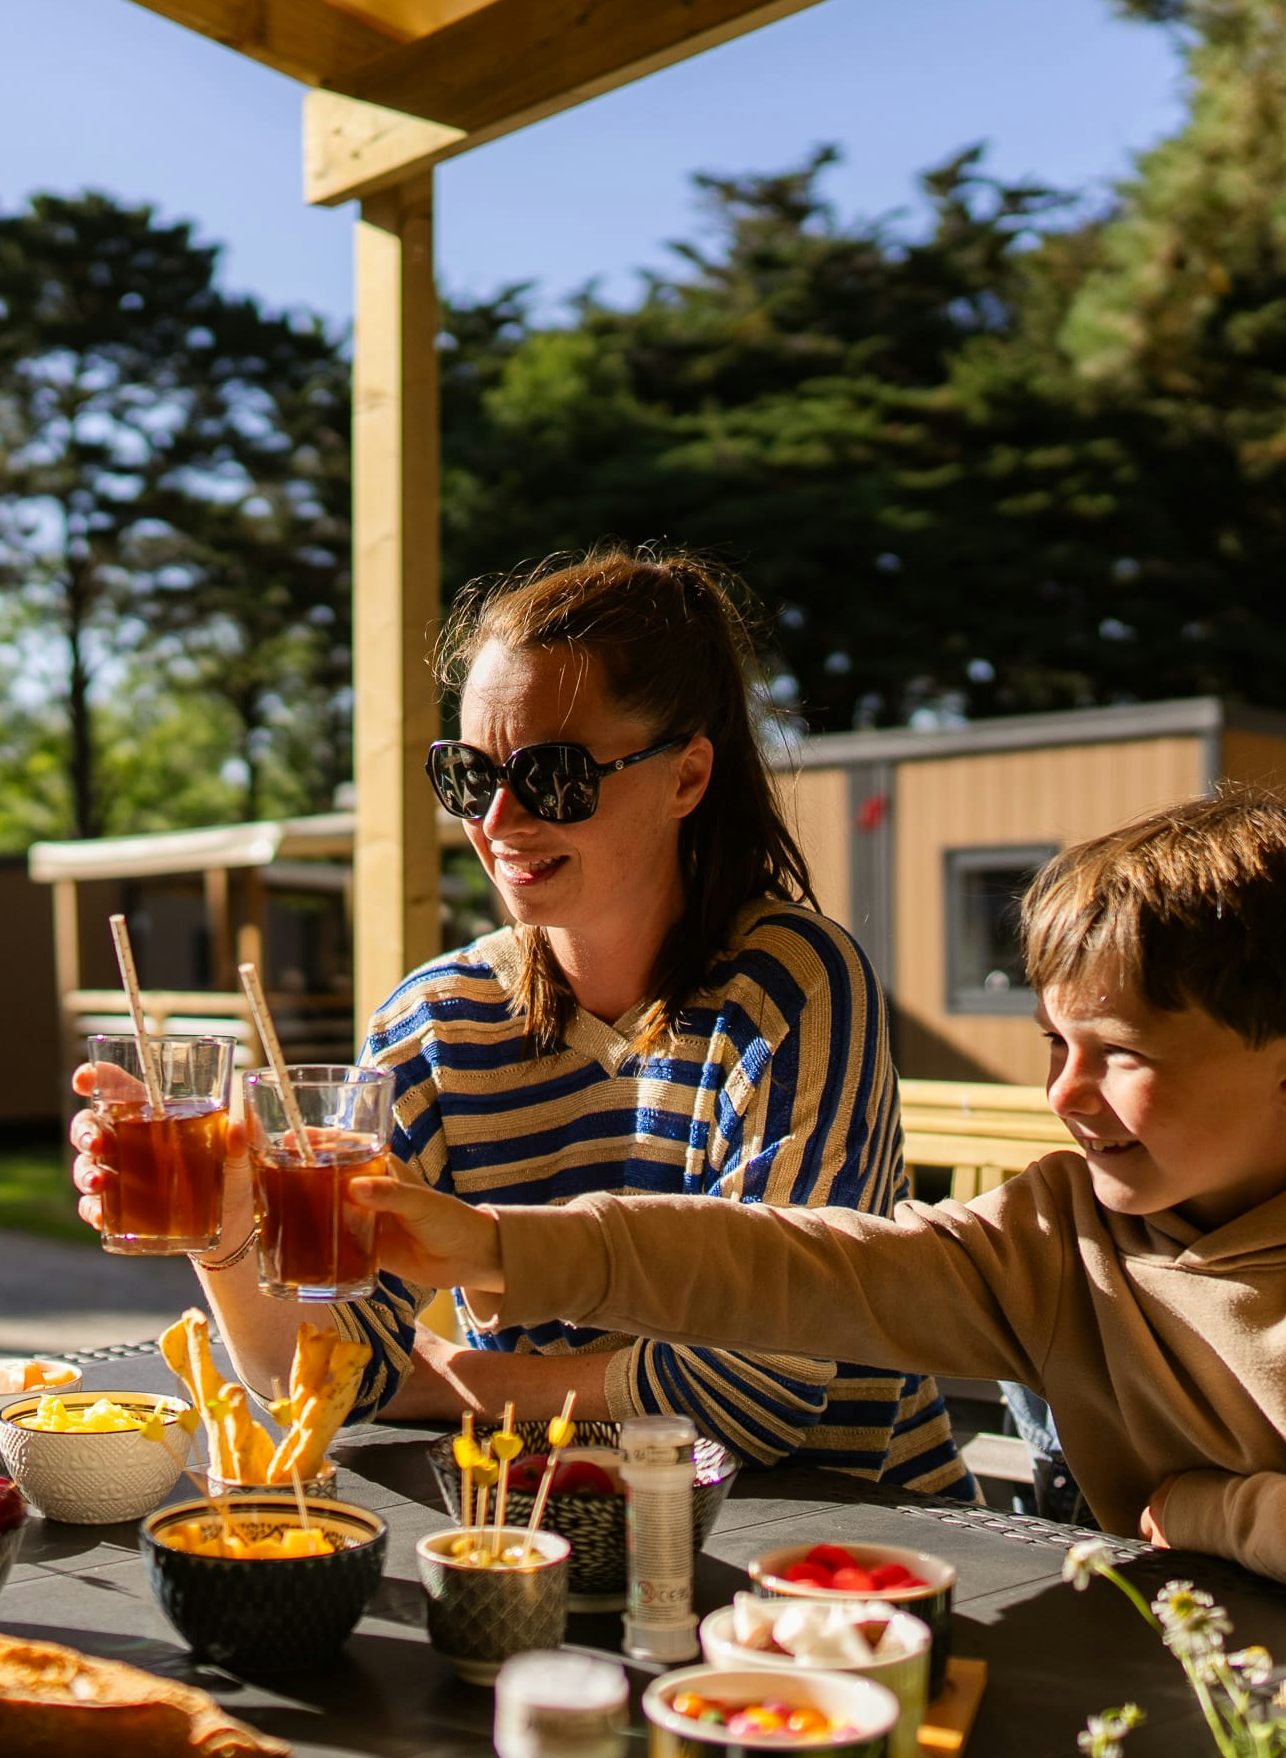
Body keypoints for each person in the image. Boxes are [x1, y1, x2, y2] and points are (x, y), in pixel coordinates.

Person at [358, 789, 1286, 1631]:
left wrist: (1220, 1510)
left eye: (1115, 1052)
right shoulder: (1063, 1234)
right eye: (1053, 1042)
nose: (1063, 1093)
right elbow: (801, 1267)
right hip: (1192, 1694)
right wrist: (505, 1247)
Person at [75, 547, 964, 1488]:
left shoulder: (794, 989)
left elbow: (768, 1387)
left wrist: (460, 1378)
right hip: (553, 1523)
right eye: (468, 775)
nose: (498, 819)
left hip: (844, 1550)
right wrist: (226, 1233)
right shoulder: (435, 1022)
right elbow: (328, 1375)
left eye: (552, 776)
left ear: (687, 777)